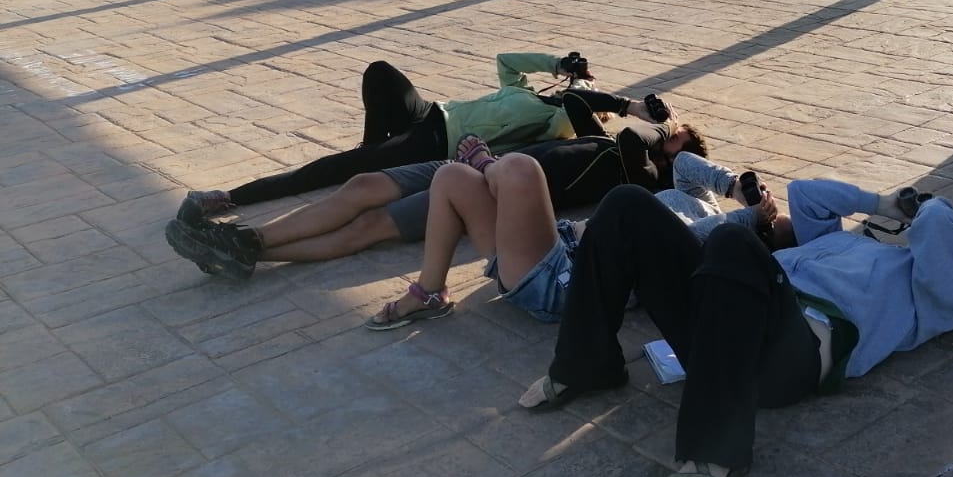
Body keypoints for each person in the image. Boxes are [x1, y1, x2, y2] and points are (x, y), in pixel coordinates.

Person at [516, 178, 953, 477]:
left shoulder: (929, 293)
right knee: (625, 204)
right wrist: (880, 203)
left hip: (782, 363)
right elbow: (806, 191)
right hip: (720, 325)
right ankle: (588, 362)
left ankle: (715, 448)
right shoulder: (834, 241)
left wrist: (928, 206)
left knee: (732, 241)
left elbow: (940, 228)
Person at [163, 119, 707, 280]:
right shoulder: (611, 143)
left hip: (489, 187)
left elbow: (636, 141)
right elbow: (576, 102)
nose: (670, 125)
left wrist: (666, 140)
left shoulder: (639, 178)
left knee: (371, 226)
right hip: (477, 159)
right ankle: (239, 242)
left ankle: (250, 246)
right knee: (362, 186)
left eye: (679, 132)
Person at [173, 53, 671, 225]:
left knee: (326, 170)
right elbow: (507, 60)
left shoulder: (557, 123)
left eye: (584, 88)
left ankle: (229, 197)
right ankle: (369, 158)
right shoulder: (530, 95)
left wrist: (621, 103)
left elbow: (583, 105)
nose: (578, 87)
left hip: (437, 142)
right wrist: (557, 65)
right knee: (380, 73)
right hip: (430, 112)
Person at [363, 139, 780, 329]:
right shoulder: (706, 205)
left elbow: (712, 231)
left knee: (522, 169)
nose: (775, 210)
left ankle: (487, 165)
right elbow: (686, 163)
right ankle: (430, 292)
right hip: (555, 246)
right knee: (451, 177)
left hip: (565, 282)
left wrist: (750, 220)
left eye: (779, 224)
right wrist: (733, 189)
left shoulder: (715, 242)